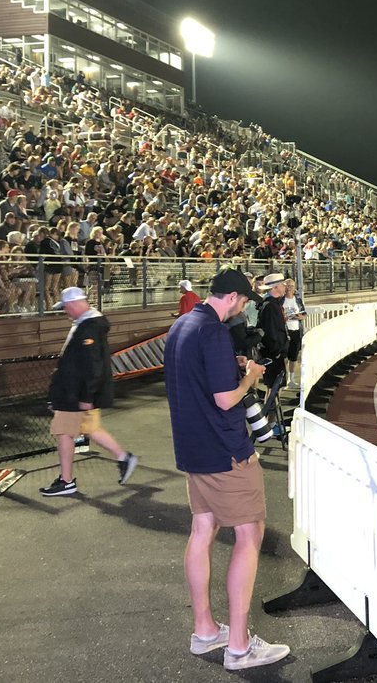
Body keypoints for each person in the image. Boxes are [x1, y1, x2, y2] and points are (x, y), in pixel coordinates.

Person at [163, 268, 290, 671]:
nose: (242, 310)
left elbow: (199, 382)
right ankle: (238, 646)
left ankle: (205, 631)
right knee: (250, 535)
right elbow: (224, 399)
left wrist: (230, 369)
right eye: (243, 302)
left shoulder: (182, 325)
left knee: (202, 530)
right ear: (234, 298)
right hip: (225, 450)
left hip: (193, 449)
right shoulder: (215, 332)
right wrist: (250, 376)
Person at [39, 286, 138, 496]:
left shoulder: (87, 328)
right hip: (78, 393)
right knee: (91, 428)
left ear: (74, 304)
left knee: (64, 433)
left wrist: (85, 396)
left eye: (66, 307)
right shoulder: (91, 325)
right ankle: (123, 457)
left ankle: (66, 481)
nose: (65, 312)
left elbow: (91, 365)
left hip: (74, 394)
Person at [255, 272, 289, 435]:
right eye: (282, 285)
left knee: (273, 388)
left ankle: (269, 424)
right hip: (273, 355)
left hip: (273, 354)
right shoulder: (269, 306)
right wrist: (278, 352)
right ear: (275, 287)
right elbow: (270, 333)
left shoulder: (270, 304)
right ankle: (270, 424)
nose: (285, 287)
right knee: (274, 388)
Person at [281, 277, 305, 392]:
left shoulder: (297, 299)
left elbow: (304, 314)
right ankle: (284, 380)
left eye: (291, 286)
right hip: (285, 331)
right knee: (284, 356)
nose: (289, 288)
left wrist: (299, 316)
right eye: (287, 286)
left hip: (296, 330)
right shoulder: (281, 300)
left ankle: (292, 379)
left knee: (294, 356)